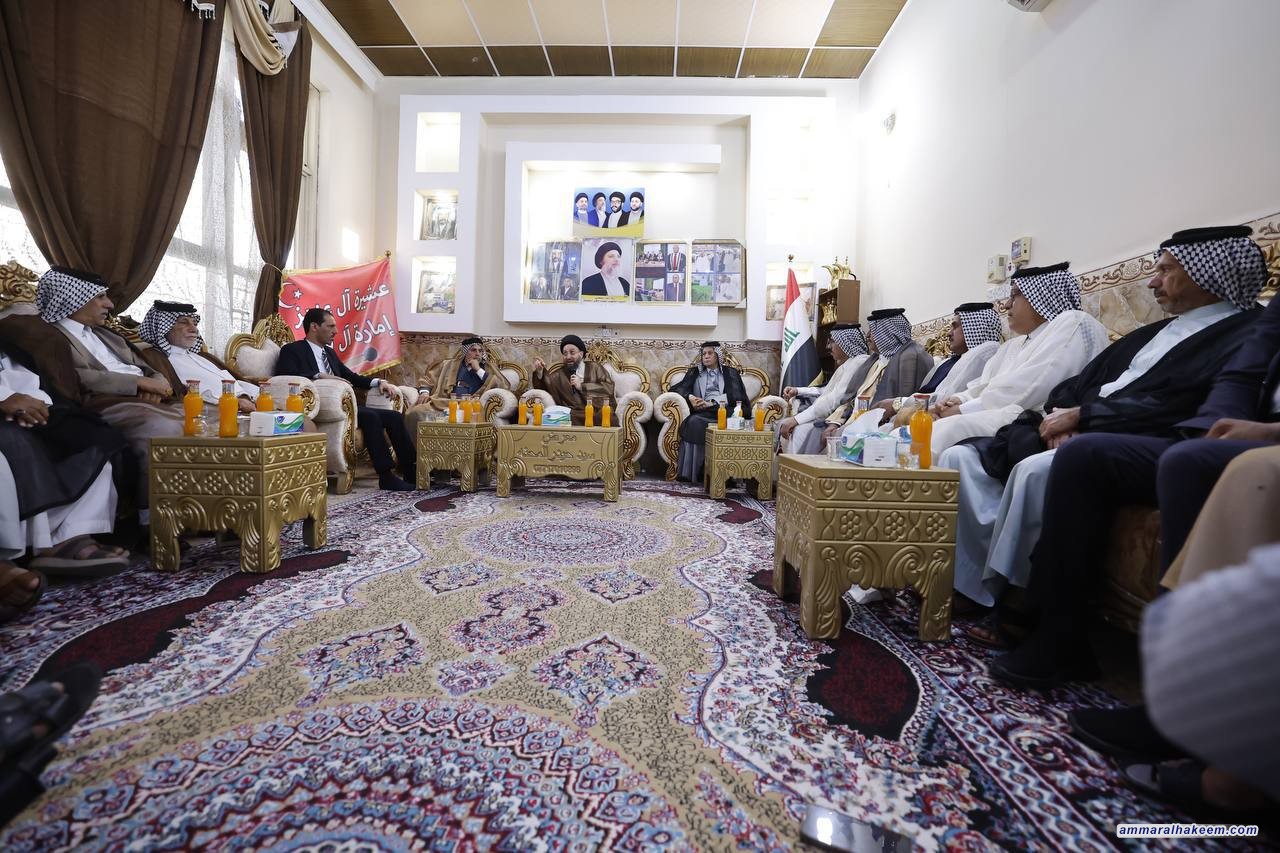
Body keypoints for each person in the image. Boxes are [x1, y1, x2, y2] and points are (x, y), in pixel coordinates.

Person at [985, 226, 1271, 688]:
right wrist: (1064, 414)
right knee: (1012, 443)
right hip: (1096, 426)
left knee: (1049, 465)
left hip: (1145, 435)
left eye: (1167, 270)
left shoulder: (1241, 331)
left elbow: (1183, 406)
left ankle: (1038, 617)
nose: (1153, 282)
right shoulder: (1156, 331)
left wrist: (1088, 418)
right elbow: (1082, 383)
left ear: (1211, 273)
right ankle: (1011, 605)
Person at [22, 268, 184, 532]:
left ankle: (213, 508)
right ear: (71, 297)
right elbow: (70, 376)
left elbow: (145, 367)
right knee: (162, 429)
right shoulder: (49, 337)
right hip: (103, 402)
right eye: (100, 297)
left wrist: (159, 382)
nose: (109, 305)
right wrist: (136, 384)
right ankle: (154, 522)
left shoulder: (107, 334)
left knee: (209, 421)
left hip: (150, 399)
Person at [925, 263, 1108, 455]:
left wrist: (963, 410)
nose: (1006, 305)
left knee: (946, 429)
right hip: (1000, 413)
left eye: (1014, 295)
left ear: (1041, 295)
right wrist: (958, 400)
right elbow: (984, 384)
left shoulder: (1073, 323)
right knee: (925, 427)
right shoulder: (1012, 345)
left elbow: (1030, 388)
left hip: (1033, 420)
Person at [0, 335, 129, 582]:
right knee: (18, 440)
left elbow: (28, 378)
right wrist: (5, 399)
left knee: (94, 434)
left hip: (35, 406)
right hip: (6, 413)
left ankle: (73, 534)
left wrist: (37, 405)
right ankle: (43, 543)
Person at [275, 308, 416, 491]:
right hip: (320, 405)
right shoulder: (292, 350)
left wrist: (378, 382)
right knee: (371, 417)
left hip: (344, 405)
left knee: (394, 417)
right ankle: (386, 476)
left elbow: (350, 376)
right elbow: (285, 374)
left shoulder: (329, 353)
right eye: (330, 326)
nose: (335, 331)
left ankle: (411, 471)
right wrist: (318, 375)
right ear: (314, 327)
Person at [820, 308, 933, 444]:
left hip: (879, 426)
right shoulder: (874, 361)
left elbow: (902, 405)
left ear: (888, 333)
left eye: (873, 331)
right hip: (853, 420)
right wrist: (835, 423)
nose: (867, 336)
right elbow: (851, 399)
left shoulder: (910, 357)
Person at [138, 301, 256, 413]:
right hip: (218, 412)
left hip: (252, 401)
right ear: (163, 327)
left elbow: (238, 381)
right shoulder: (154, 356)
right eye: (184, 322)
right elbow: (173, 395)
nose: (194, 329)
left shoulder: (203, 356)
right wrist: (233, 402)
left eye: (194, 323)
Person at [777, 324, 871, 453]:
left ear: (846, 342)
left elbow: (833, 400)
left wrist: (796, 420)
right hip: (831, 416)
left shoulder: (858, 362)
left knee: (799, 430)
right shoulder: (848, 363)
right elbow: (827, 391)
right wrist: (798, 390)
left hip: (842, 418)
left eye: (832, 341)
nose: (828, 347)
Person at [670, 341, 750, 481]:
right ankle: (696, 473)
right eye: (704, 354)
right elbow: (676, 389)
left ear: (717, 355)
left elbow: (737, 397)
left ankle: (726, 474)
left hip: (724, 410)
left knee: (734, 419)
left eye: (710, 353)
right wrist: (691, 397)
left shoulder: (730, 372)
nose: (706, 356)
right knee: (694, 422)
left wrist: (712, 402)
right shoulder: (695, 372)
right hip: (702, 412)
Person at [406, 335, 512, 433]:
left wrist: (478, 370)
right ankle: (415, 447)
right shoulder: (448, 365)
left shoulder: (488, 368)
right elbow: (428, 379)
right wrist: (424, 392)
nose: (477, 354)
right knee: (415, 412)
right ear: (465, 352)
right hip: (444, 403)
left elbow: (502, 385)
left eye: (480, 351)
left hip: (471, 405)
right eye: (473, 350)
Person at [531, 335, 615, 426]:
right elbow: (544, 388)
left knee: (606, 415)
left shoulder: (595, 367)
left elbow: (608, 389)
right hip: (573, 414)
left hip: (596, 411)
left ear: (581, 354)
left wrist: (582, 386)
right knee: (560, 418)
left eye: (572, 352)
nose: (568, 357)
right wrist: (540, 372)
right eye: (565, 353)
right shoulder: (559, 375)